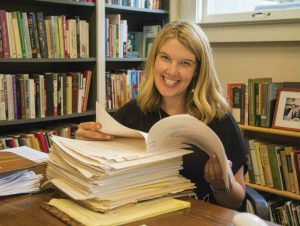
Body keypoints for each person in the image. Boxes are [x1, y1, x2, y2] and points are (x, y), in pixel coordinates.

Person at [77, 21, 247, 210]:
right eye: (165, 58)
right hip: (142, 215)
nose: (172, 71)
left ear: (198, 70)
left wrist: (222, 185)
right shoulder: (134, 111)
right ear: (154, 60)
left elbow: (237, 201)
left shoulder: (219, 119)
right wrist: (86, 144)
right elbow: (100, 171)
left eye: (185, 63)